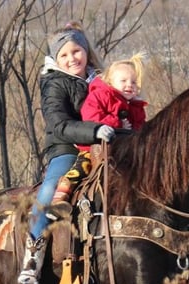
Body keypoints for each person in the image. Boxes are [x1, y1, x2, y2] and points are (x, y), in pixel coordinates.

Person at [18, 22, 116, 284]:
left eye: (76, 51)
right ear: (55, 59)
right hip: (66, 148)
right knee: (51, 188)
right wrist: (96, 130)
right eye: (64, 54)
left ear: (86, 52)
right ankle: (33, 252)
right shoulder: (54, 84)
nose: (72, 58)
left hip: (104, 146)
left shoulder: (102, 81)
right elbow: (59, 125)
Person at [51, 52, 149, 205]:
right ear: (111, 81)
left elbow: (140, 127)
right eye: (123, 81)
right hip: (94, 147)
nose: (129, 85)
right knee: (82, 167)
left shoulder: (137, 107)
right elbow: (91, 116)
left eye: (134, 82)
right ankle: (61, 195)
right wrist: (117, 123)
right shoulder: (100, 95)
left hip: (125, 150)